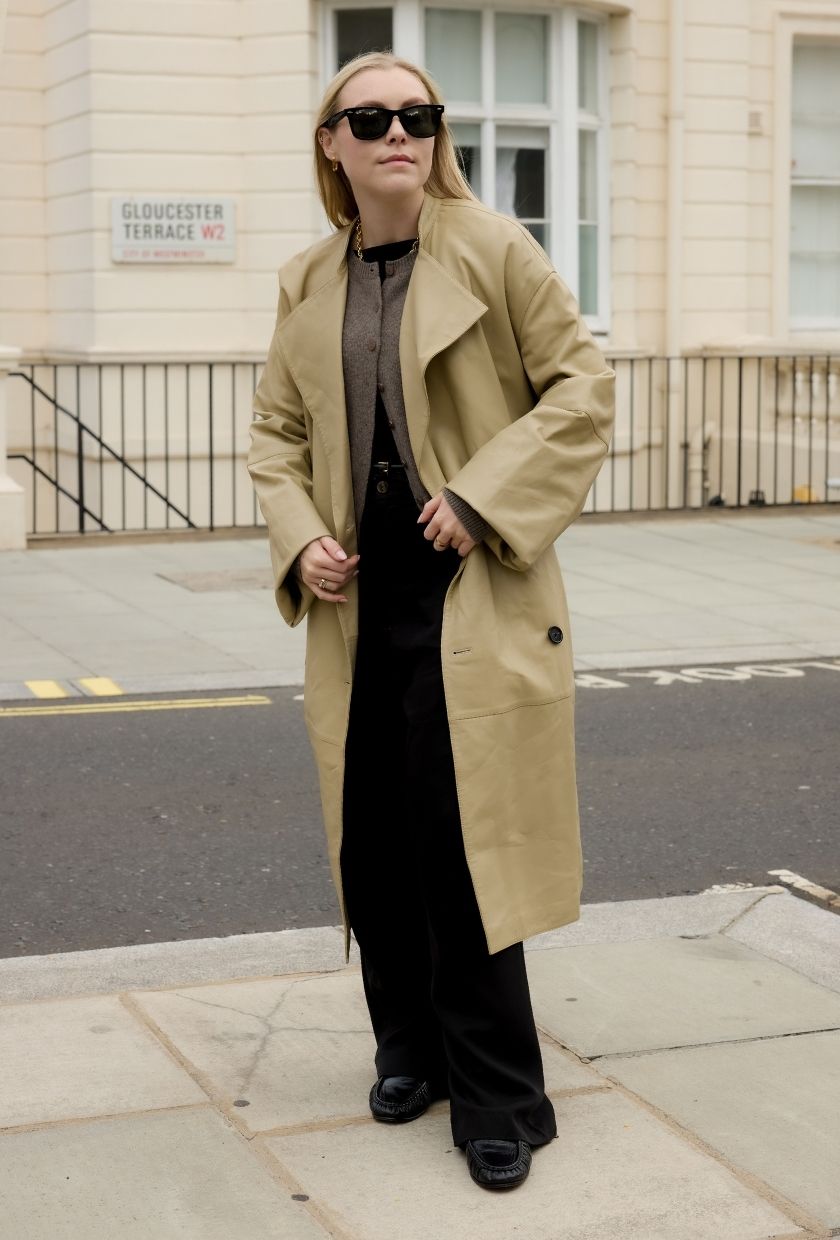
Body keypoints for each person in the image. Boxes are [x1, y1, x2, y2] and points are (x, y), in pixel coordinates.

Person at [248, 50, 615, 1191]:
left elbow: (581, 391)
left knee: (468, 850)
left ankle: (500, 1093)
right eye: (371, 116)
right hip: (359, 602)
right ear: (333, 143)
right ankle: (406, 1048)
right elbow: (272, 435)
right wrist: (299, 531)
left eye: (418, 113)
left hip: (473, 588)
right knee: (377, 840)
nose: (398, 130)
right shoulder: (311, 278)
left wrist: (480, 493)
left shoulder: (496, 248)